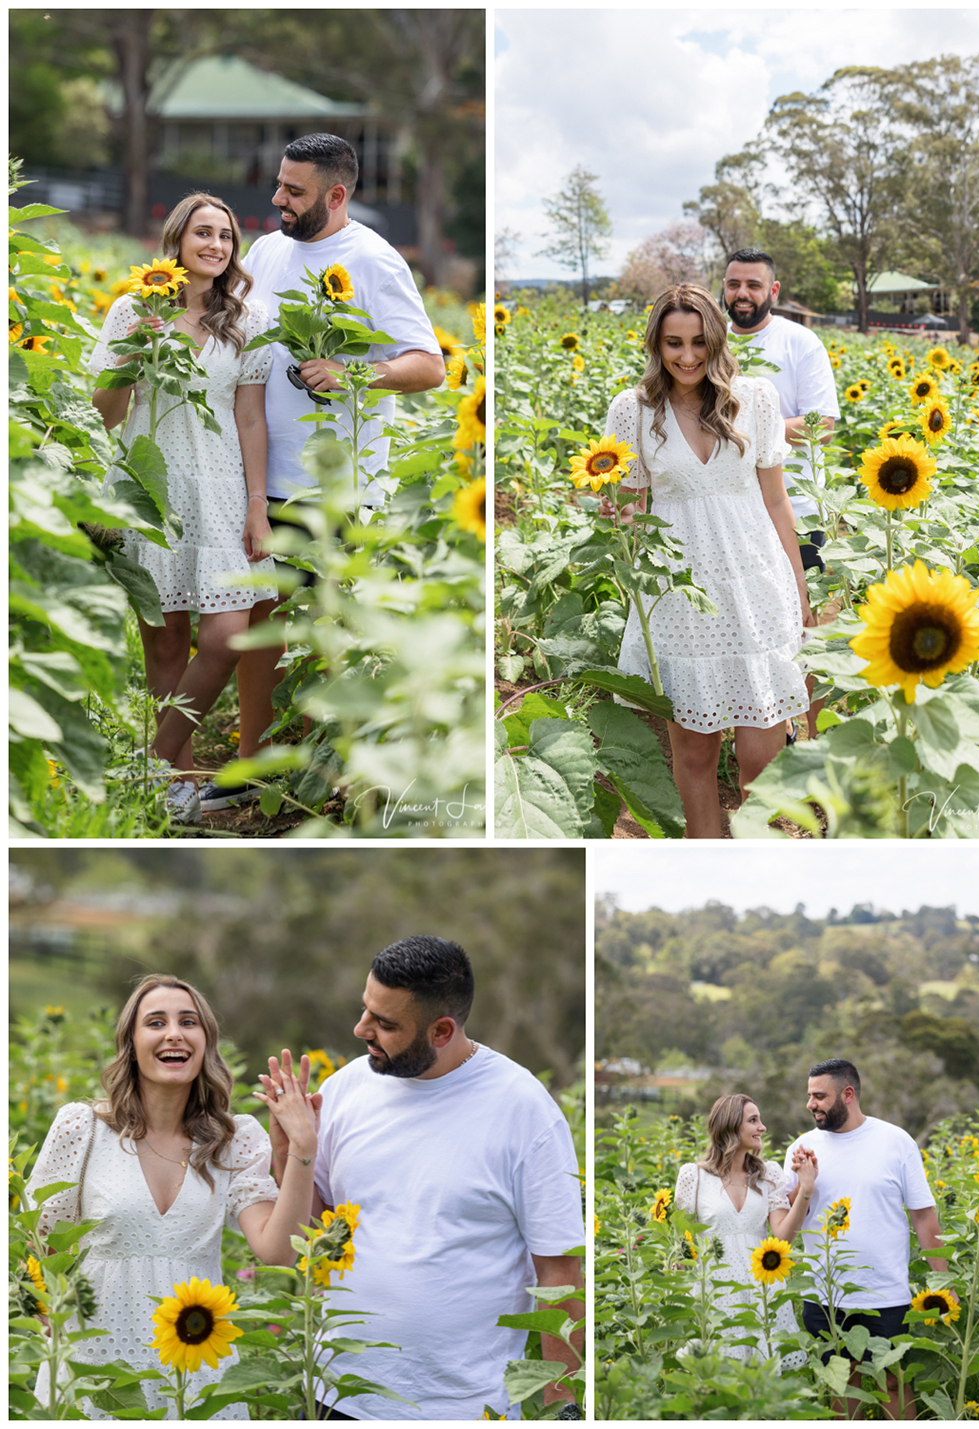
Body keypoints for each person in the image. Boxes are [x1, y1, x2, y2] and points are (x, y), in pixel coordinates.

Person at [215, 133, 444, 811]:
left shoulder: (373, 260)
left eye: (294, 190)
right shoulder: (266, 251)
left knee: (319, 641)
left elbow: (427, 363)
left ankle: (312, 789)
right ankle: (255, 777)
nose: (278, 199)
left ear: (336, 195)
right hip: (261, 475)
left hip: (337, 486)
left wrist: (356, 374)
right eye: (280, 185)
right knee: (261, 631)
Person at [267, 936, 584, 1419]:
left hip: (462, 1406)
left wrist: (564, 1409)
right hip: (339, 1393)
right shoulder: (345, 1091)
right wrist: (289, 1155)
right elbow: (317, 1234)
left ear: (441, 1031)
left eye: (385, 1023)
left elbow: (560, 1274)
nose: (361, 1029)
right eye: (365, 1009)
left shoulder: (523, 1109)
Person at [24, 975, 321, 1418]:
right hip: (97, 1376)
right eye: (156, 1022)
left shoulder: (232, 1141)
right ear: (131, 1042)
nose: (174, 1033)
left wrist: (302, 1149)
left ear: (205, 1041)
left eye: (189, 1021)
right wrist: (48, 1327)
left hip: (198, 1375)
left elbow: (278, 1250)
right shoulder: (82, 1129)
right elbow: (36, 1246)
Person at [87, 194, 279, 825]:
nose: (216, 245)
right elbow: (106, 414)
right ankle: (179, 784)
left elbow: (249, 416)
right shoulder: (130, 310)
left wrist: (258, 507)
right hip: (150, 487)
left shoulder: (243, 318)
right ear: (177, 241)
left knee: (227, 637)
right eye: (204, 233)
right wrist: (133, 352)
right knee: (165, 640)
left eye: (225, 236)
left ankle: (150, 761)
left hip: (223, 490)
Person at [602, 284, 810, 837]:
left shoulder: (755, 399)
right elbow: (629, 508)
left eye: (698, 343)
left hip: (753, 587)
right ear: (656, 344)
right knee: (693, 760)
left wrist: (798, 585)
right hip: (678, 595)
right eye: (674, 343)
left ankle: (758, 870)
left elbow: (775, 498)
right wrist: (610, 514)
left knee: (760, 767)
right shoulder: (633, 411)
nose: (687, 356)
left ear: (716, 341)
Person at [783, 1059, 947, 1419]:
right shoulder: (802, 1148)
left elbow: (922, 1215)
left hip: (884, 1292)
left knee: (893, 1381)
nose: (811, 1104)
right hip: (825, 1292)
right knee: (843, 1382)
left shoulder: (895, 1141)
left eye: (819, 1096)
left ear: (848, 1094)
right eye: (809, 1096)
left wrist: (942, 1281)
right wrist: (804, 1183)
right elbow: (787, 1230)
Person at [722, 248, 841, 736]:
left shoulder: (799, 342)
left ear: (773, 291)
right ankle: (774, 728)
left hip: (799, 504)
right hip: (731, 511)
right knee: (750, 625)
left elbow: (824, 423)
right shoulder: (708, 341)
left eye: (753, 285)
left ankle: (819, 741)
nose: (742, 295)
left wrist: (746, 425)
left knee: (810, 622)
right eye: (733, 285)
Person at [675, 1093, 818, 1366]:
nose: (762, 1127)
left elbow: (783, 1236)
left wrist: (805, 1190)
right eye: (753, 1120)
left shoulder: (769, 1174)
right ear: (730, 1126)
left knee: (765, 1381)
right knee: (716, 1379)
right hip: (714, 1293)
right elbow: (683, 1243)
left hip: (762, 1290)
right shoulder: (693, 1176)